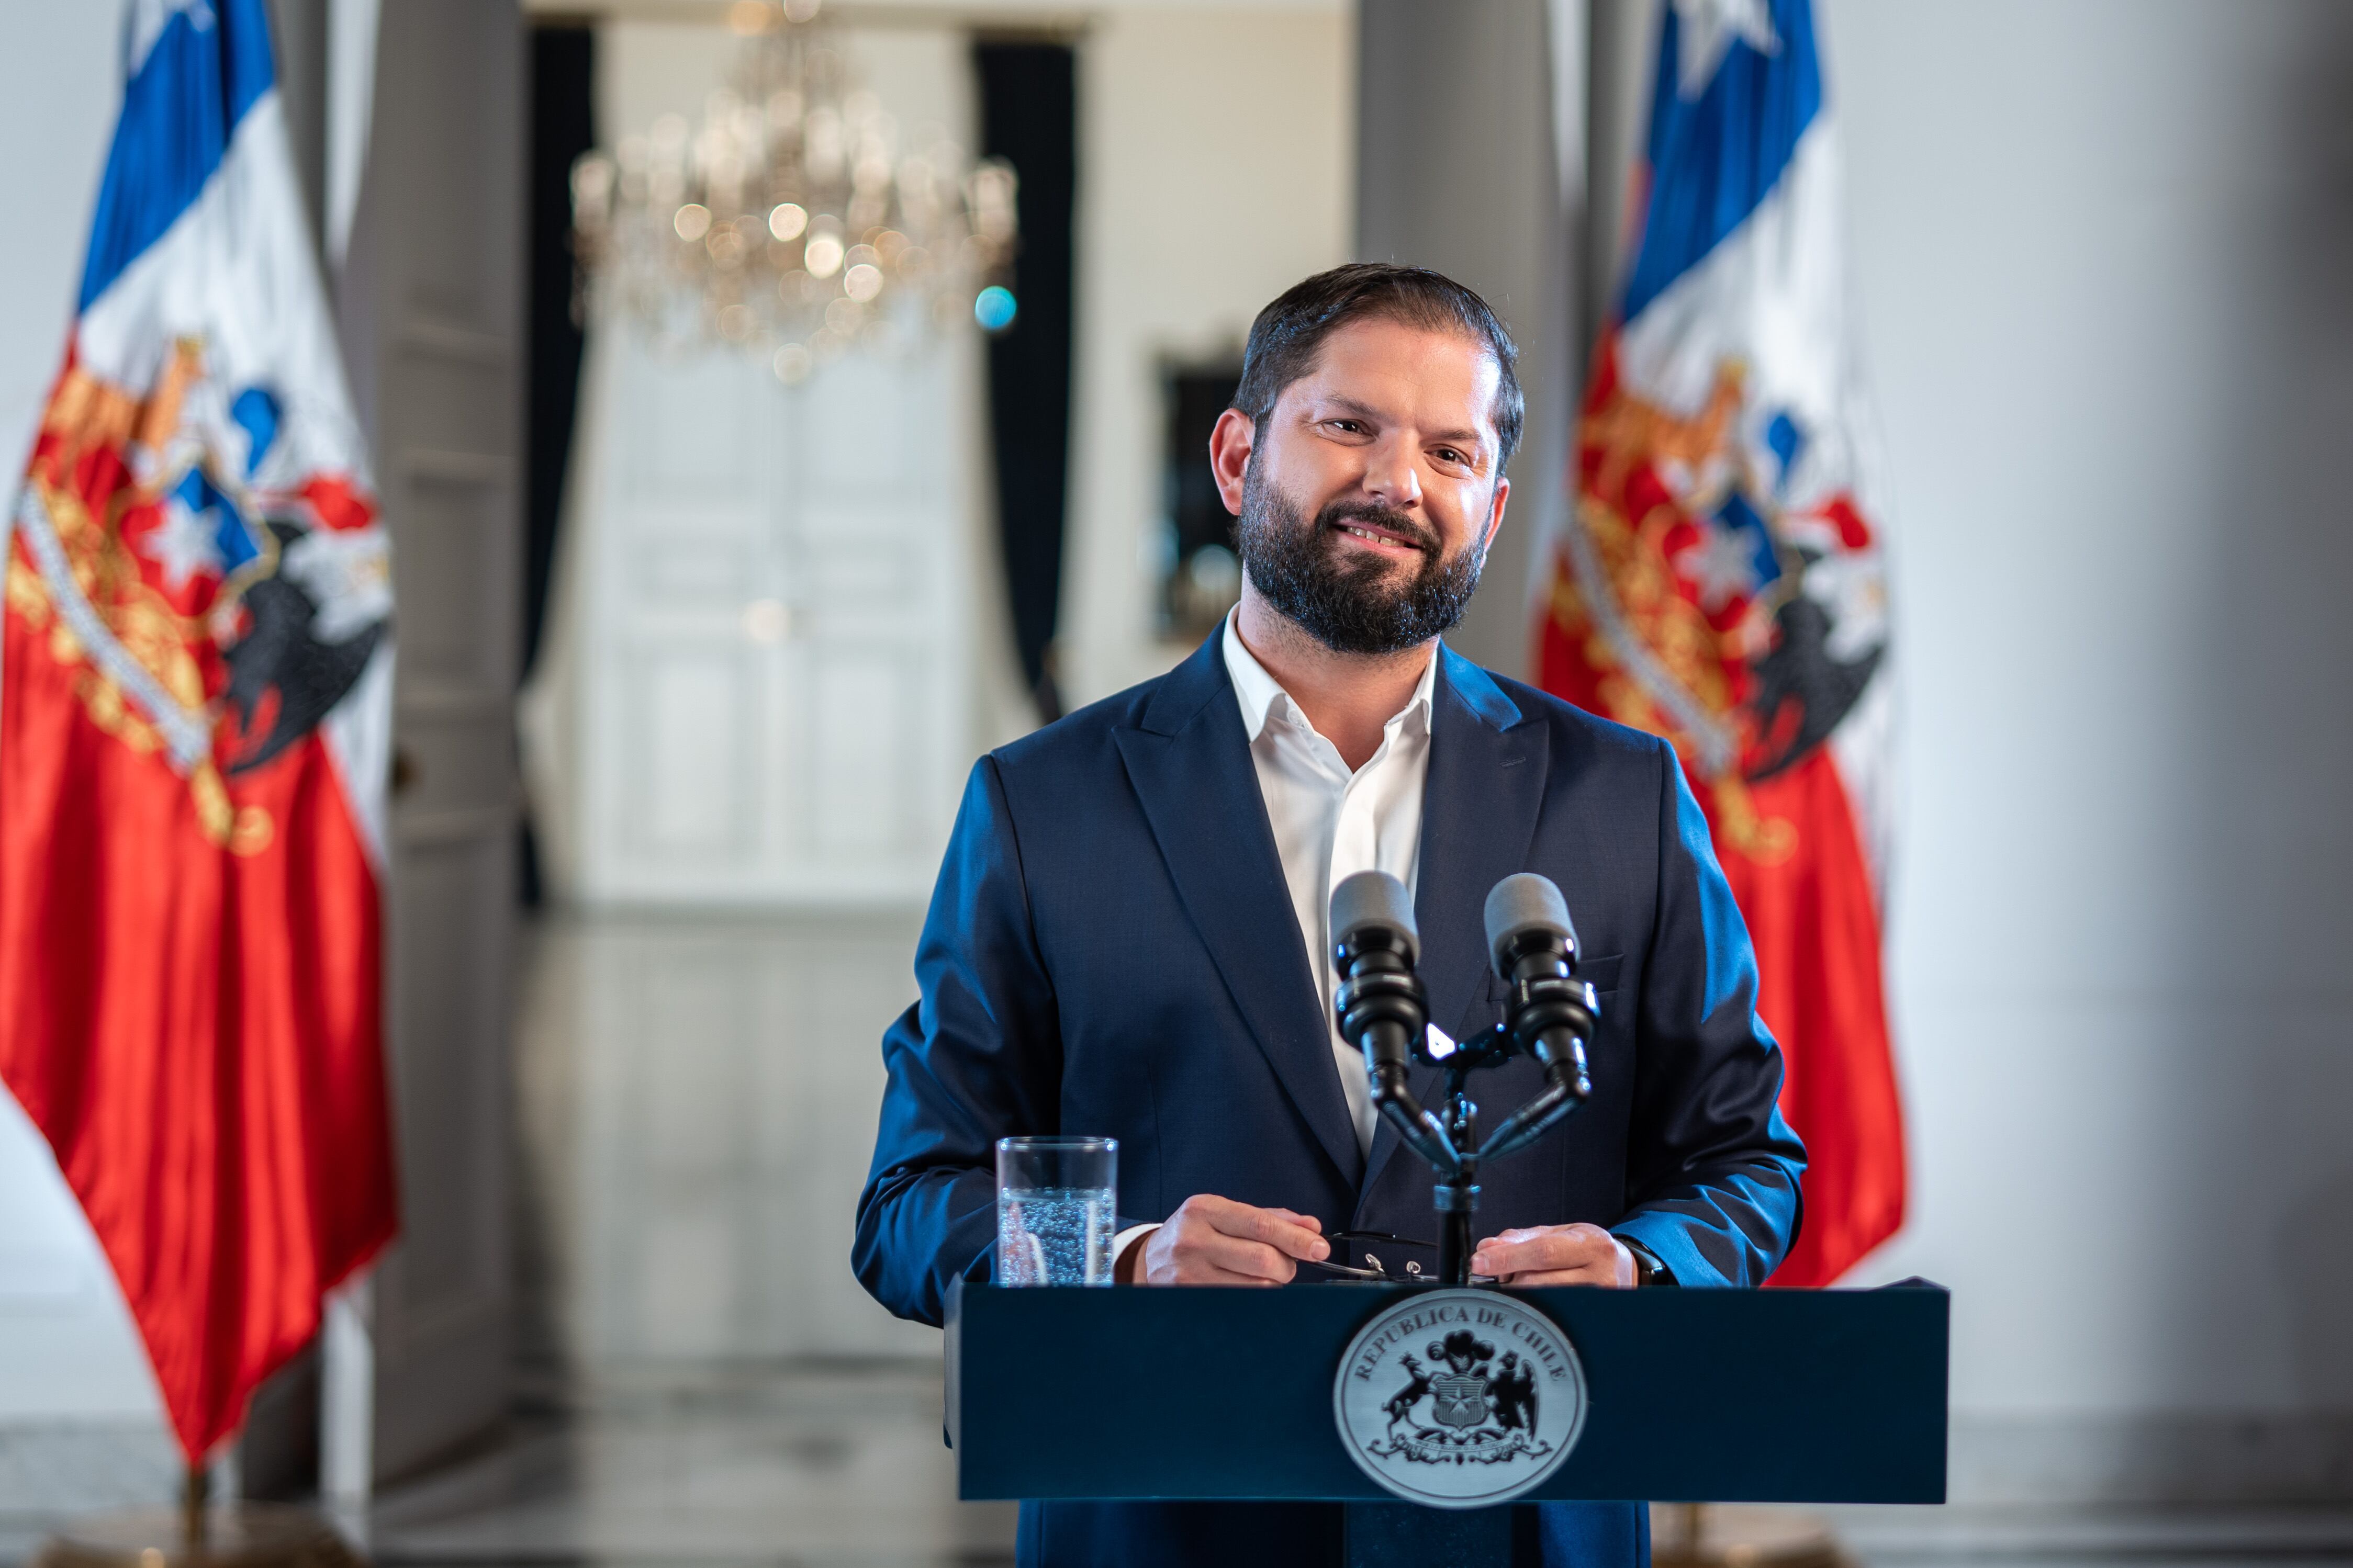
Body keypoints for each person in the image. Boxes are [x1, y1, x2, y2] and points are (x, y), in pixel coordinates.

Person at [854, 263, 1806, 1568]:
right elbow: (912, 1196)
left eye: (1449, 449)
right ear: (1241, 455)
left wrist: (1644, 1266)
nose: (1397, 482)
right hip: (1163, 1510)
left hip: (1521, 1513)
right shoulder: (1043, 803)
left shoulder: (1622, 795)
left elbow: (1747, 1161)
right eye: (1348, 425)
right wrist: (1124, 1257)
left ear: (1492, 503)